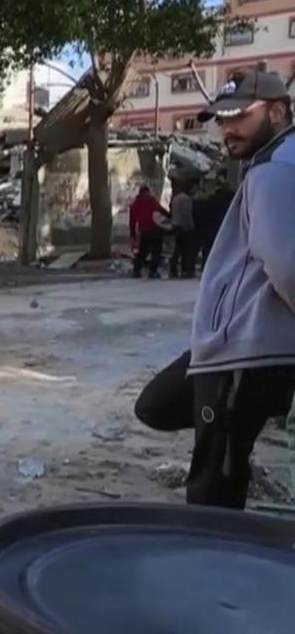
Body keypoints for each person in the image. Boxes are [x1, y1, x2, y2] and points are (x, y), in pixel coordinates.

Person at [133, 69, 295, 509]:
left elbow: (285, 263)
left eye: (239, 117)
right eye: (221, 119)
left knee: (213, 485)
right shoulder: (274, 164)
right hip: (231, 346)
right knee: (155, 406)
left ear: (278, 112)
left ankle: (214, 567)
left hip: (246, 349)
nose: (227, 129)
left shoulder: (275, 170)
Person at [129, 185, 170, 279]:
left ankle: (136, 270)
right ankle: (153, 271)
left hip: (143, 230)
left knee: (143, 251)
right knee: (156, 251)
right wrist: (169, 216)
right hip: (155, 229)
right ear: (147, 192)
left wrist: (133, 234)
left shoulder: (135, 204)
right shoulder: (151, 200)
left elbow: (132, 221)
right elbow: (161, 210)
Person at [169, 184, 197, 278]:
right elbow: (187, 214)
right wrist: (190, 225)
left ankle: (173, 269)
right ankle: (185, 269)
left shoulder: (176, 198)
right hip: (183, 226)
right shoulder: (186, 199)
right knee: (186, 250)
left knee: (177, 249)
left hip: (175, 224)